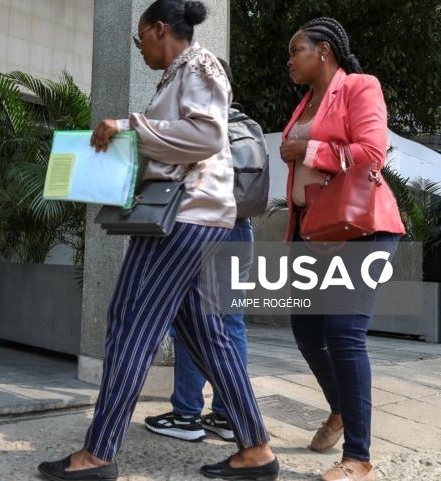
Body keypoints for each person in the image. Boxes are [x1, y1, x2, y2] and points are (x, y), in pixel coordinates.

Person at [37, 2, 279, 481]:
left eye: (139, 38)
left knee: (130, 321)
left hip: (184, 218)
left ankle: (98, 455)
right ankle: (255, 449)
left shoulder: (200, 64)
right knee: (206, 334)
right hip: (195, 218)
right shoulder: (178, 74)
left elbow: (207, 137)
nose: (140, 48)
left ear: (159, 29)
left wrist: (129, 126)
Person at [280, 18, 404, 481]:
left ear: (324, 50)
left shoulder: (359, 86)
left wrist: (307, 152)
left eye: (297, 50)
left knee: (345, 333)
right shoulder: (305, 103)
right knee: (308, 332)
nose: (290, 61)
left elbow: (372, 153)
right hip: (312, 235)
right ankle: (340, 409)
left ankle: (358, 458)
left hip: (361, 229)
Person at [144, 59, 262, 444]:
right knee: (230, 324)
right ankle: (229, 416)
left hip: (204, 230)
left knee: (191, 322)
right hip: (240, 229)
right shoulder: (245, 123)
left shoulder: (200, 124)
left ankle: (187, 414)